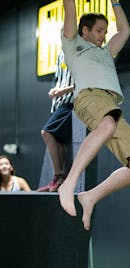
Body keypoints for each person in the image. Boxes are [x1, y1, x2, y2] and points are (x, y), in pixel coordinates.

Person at [55, 0, 130, 231]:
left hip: (110, 103)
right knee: (107, 124)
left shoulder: (107, 52)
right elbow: (70, 7)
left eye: (105, 31)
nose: (103, 35)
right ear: (84, 31)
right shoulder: (73, 44)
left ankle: (90, 196)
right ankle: (69, 183)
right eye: (99, 30)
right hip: (89, 97)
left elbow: (125, 29)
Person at [37, 50, 75, 192]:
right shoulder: (61, 55)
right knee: (57, 140)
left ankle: (58, 175)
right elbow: (60, 79)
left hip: (71, 102)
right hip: (59, 103)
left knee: (46, 133)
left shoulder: (81, 52)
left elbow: (87, 83)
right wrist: (56, 90)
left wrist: (63, 91)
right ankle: (59, 178)